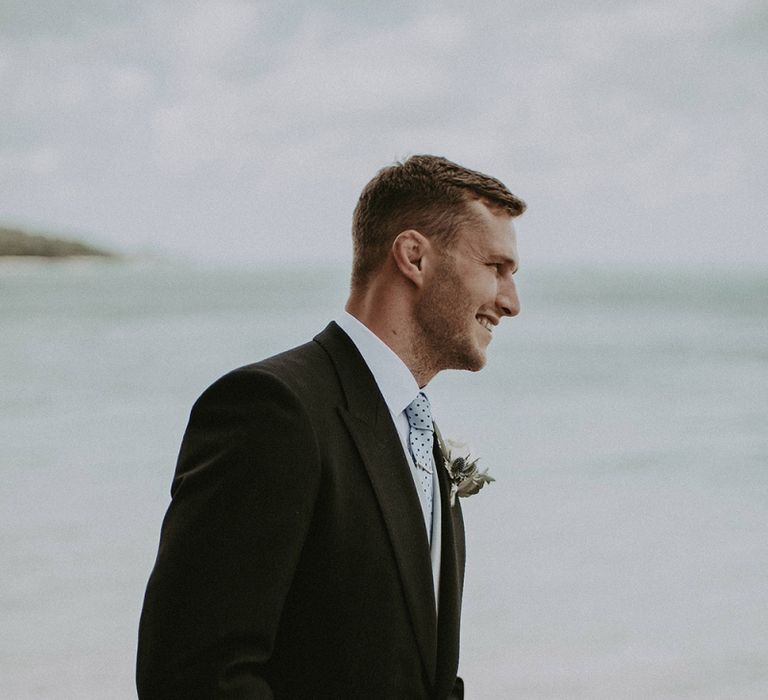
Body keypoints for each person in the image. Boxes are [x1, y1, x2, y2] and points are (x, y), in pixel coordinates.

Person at [137, 154, 526, 699]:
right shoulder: (272, 409)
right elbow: (196, 675)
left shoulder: (420, 436)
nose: (511, 302)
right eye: (496, 268)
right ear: (413, 256)